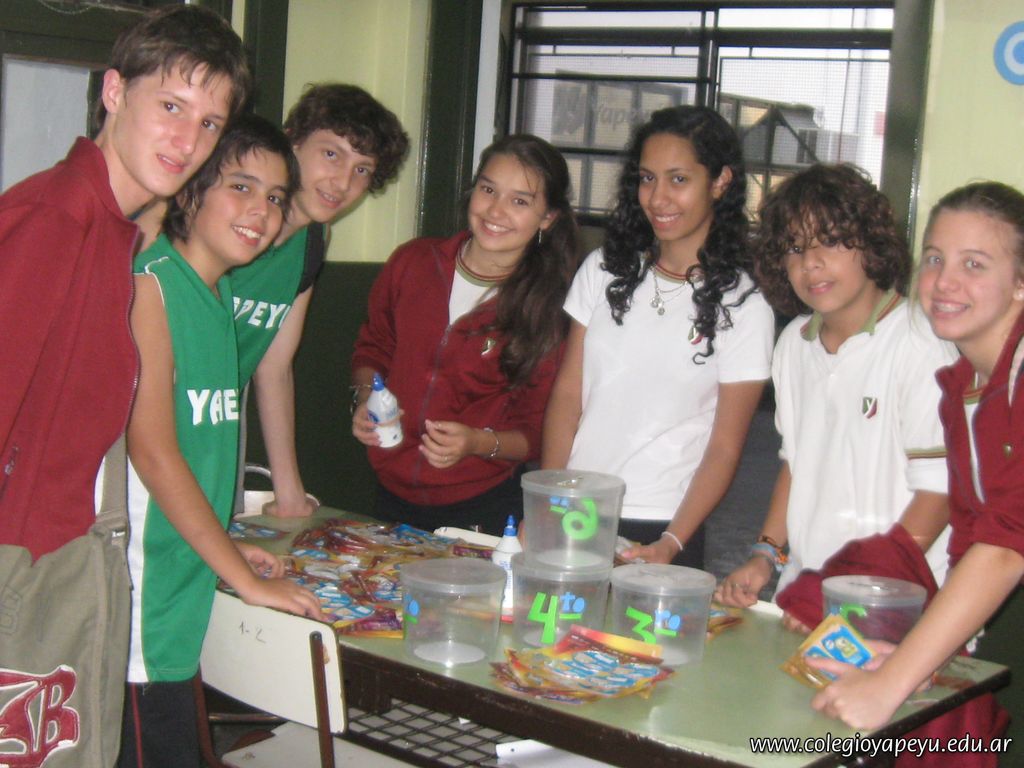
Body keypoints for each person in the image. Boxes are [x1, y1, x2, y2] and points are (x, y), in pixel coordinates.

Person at [0, 3, 249, 560]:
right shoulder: (54, 219)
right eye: (171, 106)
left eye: (209, 123)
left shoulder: (110, 230)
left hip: (56, 552)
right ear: (114, 91)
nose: (187, 141)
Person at [121, 115, 322, 768]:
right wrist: (244, 581)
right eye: (240, 187)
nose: (261, 211)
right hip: (140, 605)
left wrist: (224, 548)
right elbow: (153, 453)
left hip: (182, 591)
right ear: (190, 190)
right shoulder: (150, 285)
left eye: (275, 197)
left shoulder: (218, 294)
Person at [810, 182, 1024, 733]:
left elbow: (1005, 548)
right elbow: (973, 537)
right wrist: (922, 657)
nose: (944, 281)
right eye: (934, 258)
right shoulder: (960, 384)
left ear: (1020, 282)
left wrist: (891, 683)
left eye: (974, 264)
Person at [541, 105, 774, 568]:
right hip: (578, 508)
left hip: (665, 523)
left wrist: (672, 541)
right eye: (647, 179)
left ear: (720, 181)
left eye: (678, 179)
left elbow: (724, 447)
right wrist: (550, 499)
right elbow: (568, 394)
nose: (658, 198)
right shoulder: (604, 269)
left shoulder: (745, 306)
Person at [716, 164, 955, 614]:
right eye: (794, 247)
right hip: (808, 594)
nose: (810, 263)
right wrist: (766, 555)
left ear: (870, 242)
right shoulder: (793, 344)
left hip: (901, 604)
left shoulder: (919, 343)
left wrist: (862, 589)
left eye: (828, 240)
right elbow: (796, 462)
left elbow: (940, 493)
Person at [351, 134, 579, 536]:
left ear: (547, 218)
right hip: (388, 491)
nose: (496, 210)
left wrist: (476, 442)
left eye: (520, 201)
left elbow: (538, 429)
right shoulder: (413, 262)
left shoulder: (550, 308)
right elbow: (375, 347)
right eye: (488, 190)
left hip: (481, 506)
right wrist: (366, 395)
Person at [231, 83, 409, 517]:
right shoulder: (226, 219)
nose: (343, 182)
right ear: (291, 141)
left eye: (362, 169)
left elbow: (274, 367)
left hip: (217, 427)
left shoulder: (313, 240)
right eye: (331, 153)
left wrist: (290, 490)